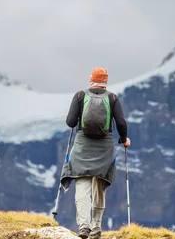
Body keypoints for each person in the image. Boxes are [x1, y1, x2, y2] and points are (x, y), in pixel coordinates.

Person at [60, 67, 130, 239]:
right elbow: (121, 122)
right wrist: (124, 139)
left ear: (91, 79)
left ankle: (83, 227)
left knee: (82, 187)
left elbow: (70, 122)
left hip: (83, 145)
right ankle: (96, 228)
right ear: (105, 82)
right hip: (104, 147)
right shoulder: (112, 98)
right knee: (99, 186)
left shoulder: (80, 96)